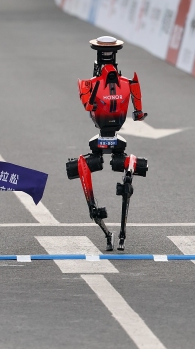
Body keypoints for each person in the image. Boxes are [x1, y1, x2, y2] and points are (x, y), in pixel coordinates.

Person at [66, 36, 148, 251]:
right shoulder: (129, 83)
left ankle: (97, 215)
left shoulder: (88, 84)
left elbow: (87, 104)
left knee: (83, 165)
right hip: (117, 139)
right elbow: (138, 113)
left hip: (100, 136)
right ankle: (121, 233)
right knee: (127, 167)